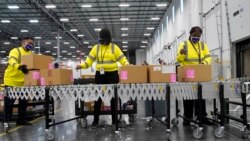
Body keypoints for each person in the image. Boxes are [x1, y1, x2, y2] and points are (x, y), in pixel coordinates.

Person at [76, 28, 129, 126]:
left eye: (103, 40)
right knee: (98, 98)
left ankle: (114, 120)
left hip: (112, 75)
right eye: (100, 40)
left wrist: (127, 66)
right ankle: (95, 120)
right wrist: (81, 66)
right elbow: (89, 62)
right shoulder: (96, 48)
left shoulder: (114, 48)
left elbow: (123, 60)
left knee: (113, 99)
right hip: (100, 75)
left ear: (108, 39)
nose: (101, 42)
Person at [176, 26, 212, 126]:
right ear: (190, 34)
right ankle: (187, 118)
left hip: (200, 74)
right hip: (188, 75)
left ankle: (201, 117)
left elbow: (208, 58)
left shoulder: (203, 45)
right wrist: (182, 54)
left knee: (200, 97)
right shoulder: (184, 44)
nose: (196, 37)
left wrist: (203, 64)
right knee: (188, 97)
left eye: (198, 36)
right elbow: (179, 59)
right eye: (194, 35)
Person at [4, 37, 34, 125]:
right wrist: (19, 66)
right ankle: (6, 120)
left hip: (23, 82)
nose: (31, 45)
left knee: (23, 102)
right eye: (29, 43)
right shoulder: (16, 51)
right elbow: (11, 60)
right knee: (9, 102)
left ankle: (21, 120)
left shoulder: (30, 54)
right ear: (23, 43)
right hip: (11, 80)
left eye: (32, 44)